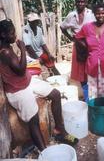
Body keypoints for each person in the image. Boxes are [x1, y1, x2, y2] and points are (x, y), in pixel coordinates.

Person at [0, 19, 78, 151]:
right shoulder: (5, 52)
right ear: (3, 35)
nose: (15, 36)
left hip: (27, 81)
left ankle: (60, 131)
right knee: (34, 120)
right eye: (12, 33)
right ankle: (45, 152)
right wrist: (23, 50)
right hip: (17, 90)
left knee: (55, 94)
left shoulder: (8, 46)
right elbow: (19, 70)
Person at [60, 0, 95, 85]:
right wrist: (71, 38)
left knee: (90, 65)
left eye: (82, 2)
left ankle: (91, 86)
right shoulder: (71, 15)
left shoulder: (91, 14)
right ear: (75, 3)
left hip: (89, 43)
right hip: (78, 44)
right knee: (80, 69)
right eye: (78, 2)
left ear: (85, 3)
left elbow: (98, 26)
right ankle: (84, 88)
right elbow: (62, 27)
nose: (80, 4)